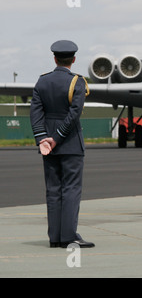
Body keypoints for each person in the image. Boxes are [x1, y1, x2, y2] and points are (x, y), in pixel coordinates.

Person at [30, 40, 94, 248]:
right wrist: (57, 138)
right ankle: (68, 236)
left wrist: (43, 139)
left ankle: (55, 237)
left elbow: (36, 114)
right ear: (73, 59)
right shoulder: (77, 82)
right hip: (70, 143)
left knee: (53, 189)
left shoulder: (42, 82)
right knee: (71, 189)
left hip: (47, 145)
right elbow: (74, 115)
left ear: (54, 58)